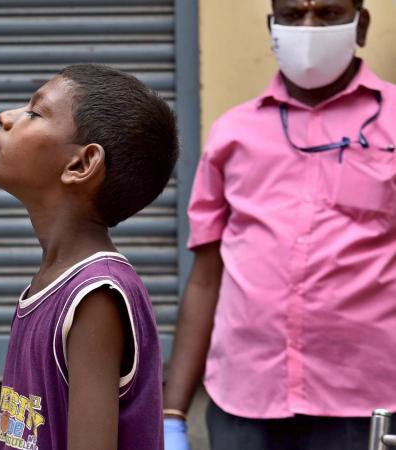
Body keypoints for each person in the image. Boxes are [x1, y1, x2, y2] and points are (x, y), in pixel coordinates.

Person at [162, 1, 396, 449]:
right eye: (293, 14)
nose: (308, 28)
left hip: (363, 403)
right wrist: (173, 414)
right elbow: (206, 279)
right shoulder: (233, 134)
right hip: (246, 401)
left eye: (328, 14)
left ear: (360, 24)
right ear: (273, 27)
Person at [0, 63, 179, 450]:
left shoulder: (95, 295)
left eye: (34, 112)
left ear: (80, 164)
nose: (5, 118)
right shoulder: (47, 286)